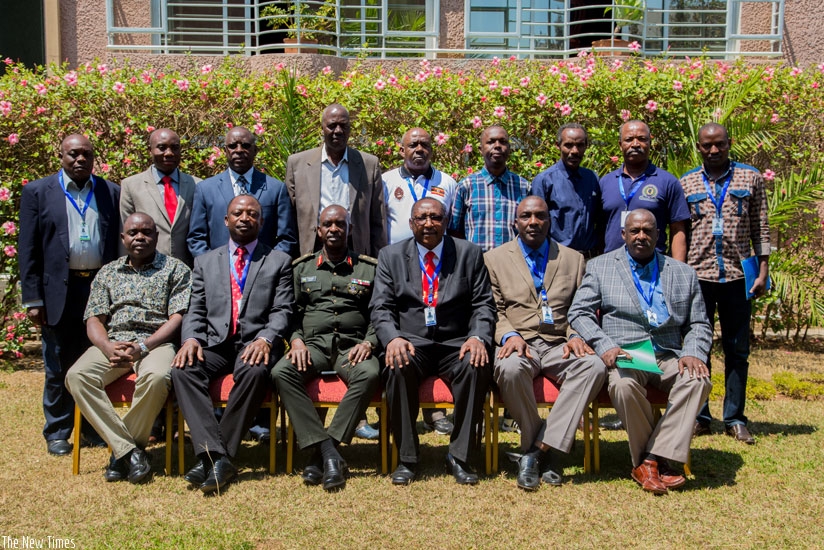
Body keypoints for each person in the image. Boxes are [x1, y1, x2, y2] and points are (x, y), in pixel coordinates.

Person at [568, 209, 712, 494]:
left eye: (648, 231)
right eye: (635, 231)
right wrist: (604, 344)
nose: (641, 236)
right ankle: (660, 461)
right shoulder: (600, 266)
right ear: (624, 235)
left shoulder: (683, 273)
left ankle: (650, 459)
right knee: (622, 386)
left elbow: (699, 323)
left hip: (669, 354)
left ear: (659, 235)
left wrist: (693, 351)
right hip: (628, 353)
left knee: (698, 380)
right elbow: (579, 312)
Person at [171, 195, 294, 495]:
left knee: (255, 370)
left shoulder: (278, 260)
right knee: (183, 370)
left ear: (261, 222)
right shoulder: (205, 261)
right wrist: (190, 339)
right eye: (237, 213)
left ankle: (212, 457)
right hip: (216, 343)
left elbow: (283, 310)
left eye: (252, 213)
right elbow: (196, 309)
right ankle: (216, 456)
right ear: (226, 220)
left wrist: (266, 338)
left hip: (255, 342)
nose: (244, 218)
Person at [370, 198, 495, 486]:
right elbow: (381, 307)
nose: (429, 223)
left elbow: (483, 304)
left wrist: (477, 337)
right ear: (411, 223)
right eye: (422, 218)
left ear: (446, 221)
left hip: (456, 343)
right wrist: (393, 338)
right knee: (397, 365)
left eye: (436, 217)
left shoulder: (468, 253)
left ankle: (459, 456)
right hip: (411, 343)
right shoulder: (390, 256)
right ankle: (407, 457)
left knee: (476, 365)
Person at [485, 196, 606, 491]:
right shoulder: (494, 259)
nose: (533, 222)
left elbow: (583, 308)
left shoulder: (573, 259)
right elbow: (493, 310)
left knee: (593, 365)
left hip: (560, 343)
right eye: (526, 216)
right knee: (509, 368)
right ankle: (547, 451)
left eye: (540, 216)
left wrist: (576, 334)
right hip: (519, 341)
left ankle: (535, 451)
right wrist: (510, 335)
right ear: (515, 222)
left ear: (549, 222)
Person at [65, 213, 191, 483]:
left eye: (146, 232)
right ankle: (130, 451)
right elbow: (94, 319)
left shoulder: (175, 269)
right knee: (77, 376)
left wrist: (144, 345)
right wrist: (107, 346)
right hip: (114, 342)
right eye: (133, 233)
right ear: (123, 238)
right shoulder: (108, 272)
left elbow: (178, 317)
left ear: (157, 236)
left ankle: (120, 454)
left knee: (157, 377)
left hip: (156, 343)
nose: (140, 237)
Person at [18, 134, 122, 456]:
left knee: (94, 360)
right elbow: (28, 249)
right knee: (57, 362)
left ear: (93, 157)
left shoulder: (110, 191)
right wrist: (33, 299)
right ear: (60, 156)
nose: (80, 160)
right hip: (57, 292)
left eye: (86, 154)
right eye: (73, 154)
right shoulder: (38, 192)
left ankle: (91, 429)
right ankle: (58, 431)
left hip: (98, 288)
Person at [271, 205, 380, 491]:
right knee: (282, 372)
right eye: (328, 224)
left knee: (370, 373)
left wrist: (369, 342)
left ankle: (323, 451)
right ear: (318, 230)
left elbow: (380, 313)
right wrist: (296, 340)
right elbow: (290, 312)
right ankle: (329, 453)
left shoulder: (368, 268)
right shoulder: (301, 267)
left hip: (352, 348)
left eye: (340, 224)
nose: (334, 229)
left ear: (349, 229)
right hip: (312, 347)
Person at [681, 122, 770, 445]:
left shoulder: (750, 178)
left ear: (729, 143)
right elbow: (681, 233)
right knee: (698, 349)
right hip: (698, 277)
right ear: (699, 147)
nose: (714, 150)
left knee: (737, 350)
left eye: (719, 144)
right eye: (707, 145)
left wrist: (763, 272)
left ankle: (734, 418)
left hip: (738, 276)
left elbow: (761, 227)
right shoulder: (687, 182)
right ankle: (700, 416)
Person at [382, 126, 459, 436]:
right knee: (407, 337)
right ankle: (402, 415)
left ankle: (435, 412)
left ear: (432, 149)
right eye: (412, 145)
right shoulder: (386, 181)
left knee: (437, 335)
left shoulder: (448, 182)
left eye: (425, 145)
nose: (419, 150)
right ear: (402, 150)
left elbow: (455, 228)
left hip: (437, 267)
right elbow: (378, 223)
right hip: (400, 268)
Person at [286, 103, 386, 257]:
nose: (338, 131)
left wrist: (379, 260)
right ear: (322, 128)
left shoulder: (368, 164)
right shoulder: (298, 164)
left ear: (349, 129)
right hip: (312, 250)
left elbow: (378, 218)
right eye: (332, 126)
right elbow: (289, 217)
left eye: (343, 126)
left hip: (355, 250)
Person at [187, 126, 296, 258]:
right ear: (225, 151)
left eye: (245, 145)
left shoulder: (276, 189)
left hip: (263, 267)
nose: (239, 150)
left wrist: (272, 264)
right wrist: (212, 265)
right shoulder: (205, 189)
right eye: (233, 146)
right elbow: (196, 238)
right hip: (219, 268)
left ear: (255, 150)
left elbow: (287, 238)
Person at [598, 120, 689, 261]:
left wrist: (678, 269)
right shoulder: (605, 182)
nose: (635, 144)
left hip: (653, 265)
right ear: (620, 145)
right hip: (612, 264)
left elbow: (678, 229)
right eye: (629, 139)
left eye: (642, 139)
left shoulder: (667, 182)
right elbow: (598, 228)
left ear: (650, 143)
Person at [120, 128, 201, 268]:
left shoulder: (197, 185)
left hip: (189, 268)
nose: (169, 153)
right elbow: (128, 234)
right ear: (150, 150)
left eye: (174, 148)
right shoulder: (131, 186)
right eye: (162, 148)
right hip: (147, 269)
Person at [449, 125, 530, 252]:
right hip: (477, 261)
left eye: (502, 142)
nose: (497, 146)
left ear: (509, 148)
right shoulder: (466, 186)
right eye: (491, 142)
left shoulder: (523, 187)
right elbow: (454, 231)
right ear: (481, 149)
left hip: (512, 261)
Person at [530, 123, 602, 259]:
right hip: (559, 259)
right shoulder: (544, 180)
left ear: (586, 146)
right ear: (558, 146)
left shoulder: (592, 178)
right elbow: (537, 224)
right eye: (568, 145)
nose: (574, 151)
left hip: (590, 259)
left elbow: (599, 220)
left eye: (580, 145)